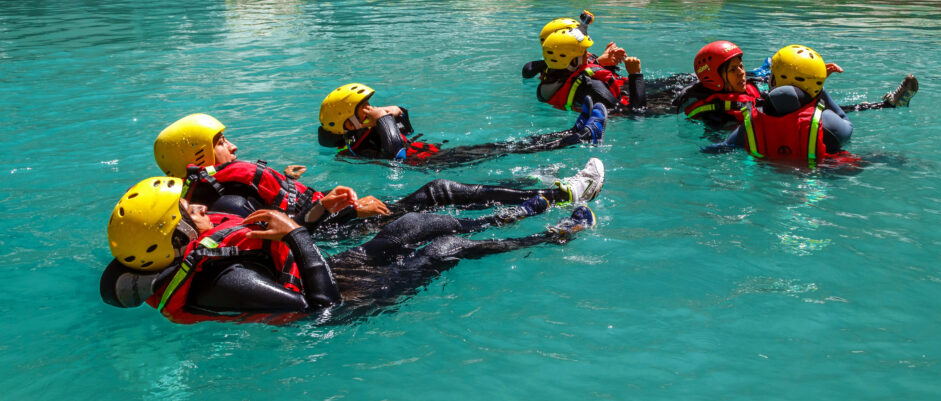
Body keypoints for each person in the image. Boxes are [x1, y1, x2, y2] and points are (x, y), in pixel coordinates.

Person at [100, 176, 598, 324]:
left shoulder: (199, 247)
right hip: (345, 303)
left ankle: (524, 209)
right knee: (444, 248)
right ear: (178, 239)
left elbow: (281, 251)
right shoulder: (224, 281)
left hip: (327, 273)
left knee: (413, 223)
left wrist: (313, 220)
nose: (197, 206)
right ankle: (553, 234)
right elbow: (320, 309)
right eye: (187, 211)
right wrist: (296, 232)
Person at [154, 113, 605, 238]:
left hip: (338, 219)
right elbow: (290, 236)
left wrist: (289, 180)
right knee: (439, 192)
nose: (232, 146)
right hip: (343, 231)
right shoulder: (226, 200)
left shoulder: (219, 187)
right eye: (222, 142)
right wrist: (350, 211)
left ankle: (549, 193)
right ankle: (560, 194)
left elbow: (276, 207)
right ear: (200, 154)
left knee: (438, 191)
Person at [316, 83, 606, 167]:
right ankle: (581, 137)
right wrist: (383, 119)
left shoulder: (366, 129)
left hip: (439, 155)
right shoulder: (351, 150)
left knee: (510, 146)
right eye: (361, 109)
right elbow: (395, 155)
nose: (370, 110)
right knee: (510, 151)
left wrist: (397, 113)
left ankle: (572, 134)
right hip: (436, 164)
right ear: (347, 123)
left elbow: (405, 128)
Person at [676, 41, 918, 130]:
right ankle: (888, 106)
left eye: (741, 66)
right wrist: (635, 78)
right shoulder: (712, 114)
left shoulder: (747, 87)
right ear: (715, 78)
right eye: (733, 69)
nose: (741, 73)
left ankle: (887, 105)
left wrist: (814, 81)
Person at [708, 44, 857, 166]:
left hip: (765, 185)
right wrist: (819, 90)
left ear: (773, 82)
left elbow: (721, 149)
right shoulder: (826, 121)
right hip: (814, 186)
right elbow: (847, 127)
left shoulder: (752, 123)